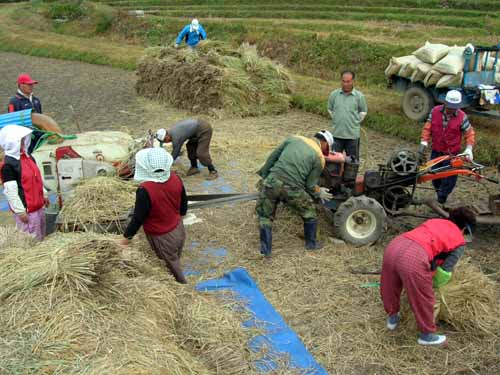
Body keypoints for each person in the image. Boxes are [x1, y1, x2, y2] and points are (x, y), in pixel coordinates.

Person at [380, 207, 476, 346]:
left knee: (390, 285)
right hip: (414, 257)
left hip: (395, 245)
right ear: (464, 229)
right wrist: (432, 284)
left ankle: (392, 318)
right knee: (424, 297)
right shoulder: (459, 241)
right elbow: (444, 272)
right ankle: (427, 335)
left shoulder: (434, 221)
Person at [255, 130, 334, 257]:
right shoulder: (319, 158)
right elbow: (310, 186)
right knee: (309, 211)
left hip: (272, 181)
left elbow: (272, 157)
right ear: (324, 143)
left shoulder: (293, 138)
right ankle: (311, 244)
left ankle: (266, 251)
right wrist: (319, 192)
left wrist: (265, 177)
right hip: (291, 189)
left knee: (265, 216)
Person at [120, 148, 188, 284]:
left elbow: (138, 219)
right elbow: (184, 205)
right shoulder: (175, 178)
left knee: (172, 266)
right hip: (178, 229)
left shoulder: (145, 190)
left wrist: (125, 239)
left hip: (162, 236)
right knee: (174, 256)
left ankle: (181, 286)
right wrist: (177, 217)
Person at [418, 90, 475, 204]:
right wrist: (424, 141)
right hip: (436, 150)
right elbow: (428, 127)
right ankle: (439, 192)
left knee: (449, 178)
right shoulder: (435, 111)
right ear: (445, 103)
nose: (451, 110)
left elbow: (469, 132)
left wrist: (469, 148)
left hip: (451, 154)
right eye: (449, 107)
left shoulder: (462, 117)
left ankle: (442, 198)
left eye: (454, 108)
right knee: (434, 175)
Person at [0, 125, 49, 241]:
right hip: (27, 212)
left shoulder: (28, 157)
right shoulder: (9, 165)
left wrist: (44, 194)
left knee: (41, 237)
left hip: (38, 207)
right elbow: (10, 191)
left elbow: (37, 179)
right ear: (12, 142)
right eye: (20, 140)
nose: (23, 143)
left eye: (23, 139)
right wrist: (20, 212)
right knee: (31, 241)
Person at [327, 70, 367, 162]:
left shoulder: (359, 97)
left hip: (352, 136)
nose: (345, 84)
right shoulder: (334, 95)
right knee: (333, 163)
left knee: (352, 163)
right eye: (343, 81)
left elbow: (363, 112)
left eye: (348, 81)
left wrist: (354, 122)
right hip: (337, 135)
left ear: (353, 81)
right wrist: (337, 119)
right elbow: (330, 109)